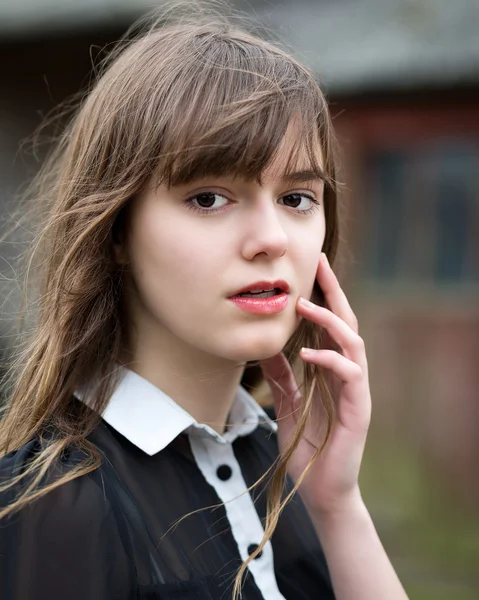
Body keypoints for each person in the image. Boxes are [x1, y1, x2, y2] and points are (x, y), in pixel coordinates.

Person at [0, 3, 409, 599]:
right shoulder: (56, 502)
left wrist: (337, 504)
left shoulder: (282, 467)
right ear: (116, 231)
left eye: (297, 197)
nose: (271, 238)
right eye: (210, 198)